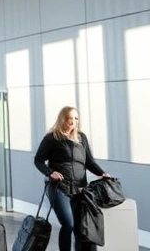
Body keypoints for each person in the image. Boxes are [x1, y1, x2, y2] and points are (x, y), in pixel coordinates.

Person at [34, 106, 111, 251]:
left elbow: (89, 162)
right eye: (70, 118)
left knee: (80, 227)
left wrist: (102, 173)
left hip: (80, 190)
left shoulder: (81, 138)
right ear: (63, 119)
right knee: (68, 224)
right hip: (59, 189)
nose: (74, 121)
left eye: (76, 118)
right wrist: (50, 173)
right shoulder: (52, 138)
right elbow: (38, 161)